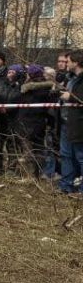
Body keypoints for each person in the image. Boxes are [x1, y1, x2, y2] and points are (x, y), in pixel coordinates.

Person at [16, 65, 56, 179]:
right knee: (39, 149)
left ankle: (30, 175)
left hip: (28, 121)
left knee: (28, 150)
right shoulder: (47, 87)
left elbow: (18, 99)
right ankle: (37, 174)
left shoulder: (27, 88)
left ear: (30, 74)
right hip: (40, 122)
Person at [58, 51, 83, 192]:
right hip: (65, 122)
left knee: (81, 157)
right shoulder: (70, 78)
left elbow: (79, 98)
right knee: (65, 155)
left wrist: (70, 97)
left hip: (79, 123)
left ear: (76, 62)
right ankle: (65, 186)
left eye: (68, 61)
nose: (65, 64)